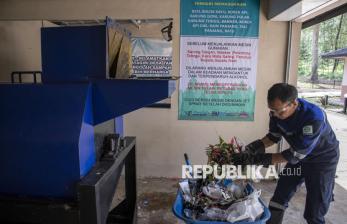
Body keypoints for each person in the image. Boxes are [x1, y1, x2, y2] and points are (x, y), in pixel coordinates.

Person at [232, 83, 340, 224]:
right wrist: (251, 148)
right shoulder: (276, 112)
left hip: (322, 161)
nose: (275, 115)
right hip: (300, 159)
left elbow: (293, 155)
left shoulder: (314, 118)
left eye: (280, 112)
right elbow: (273, 137)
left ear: (294, 103)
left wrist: (256, 159)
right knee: (279, 199)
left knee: (314, 212)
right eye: (272, 111)